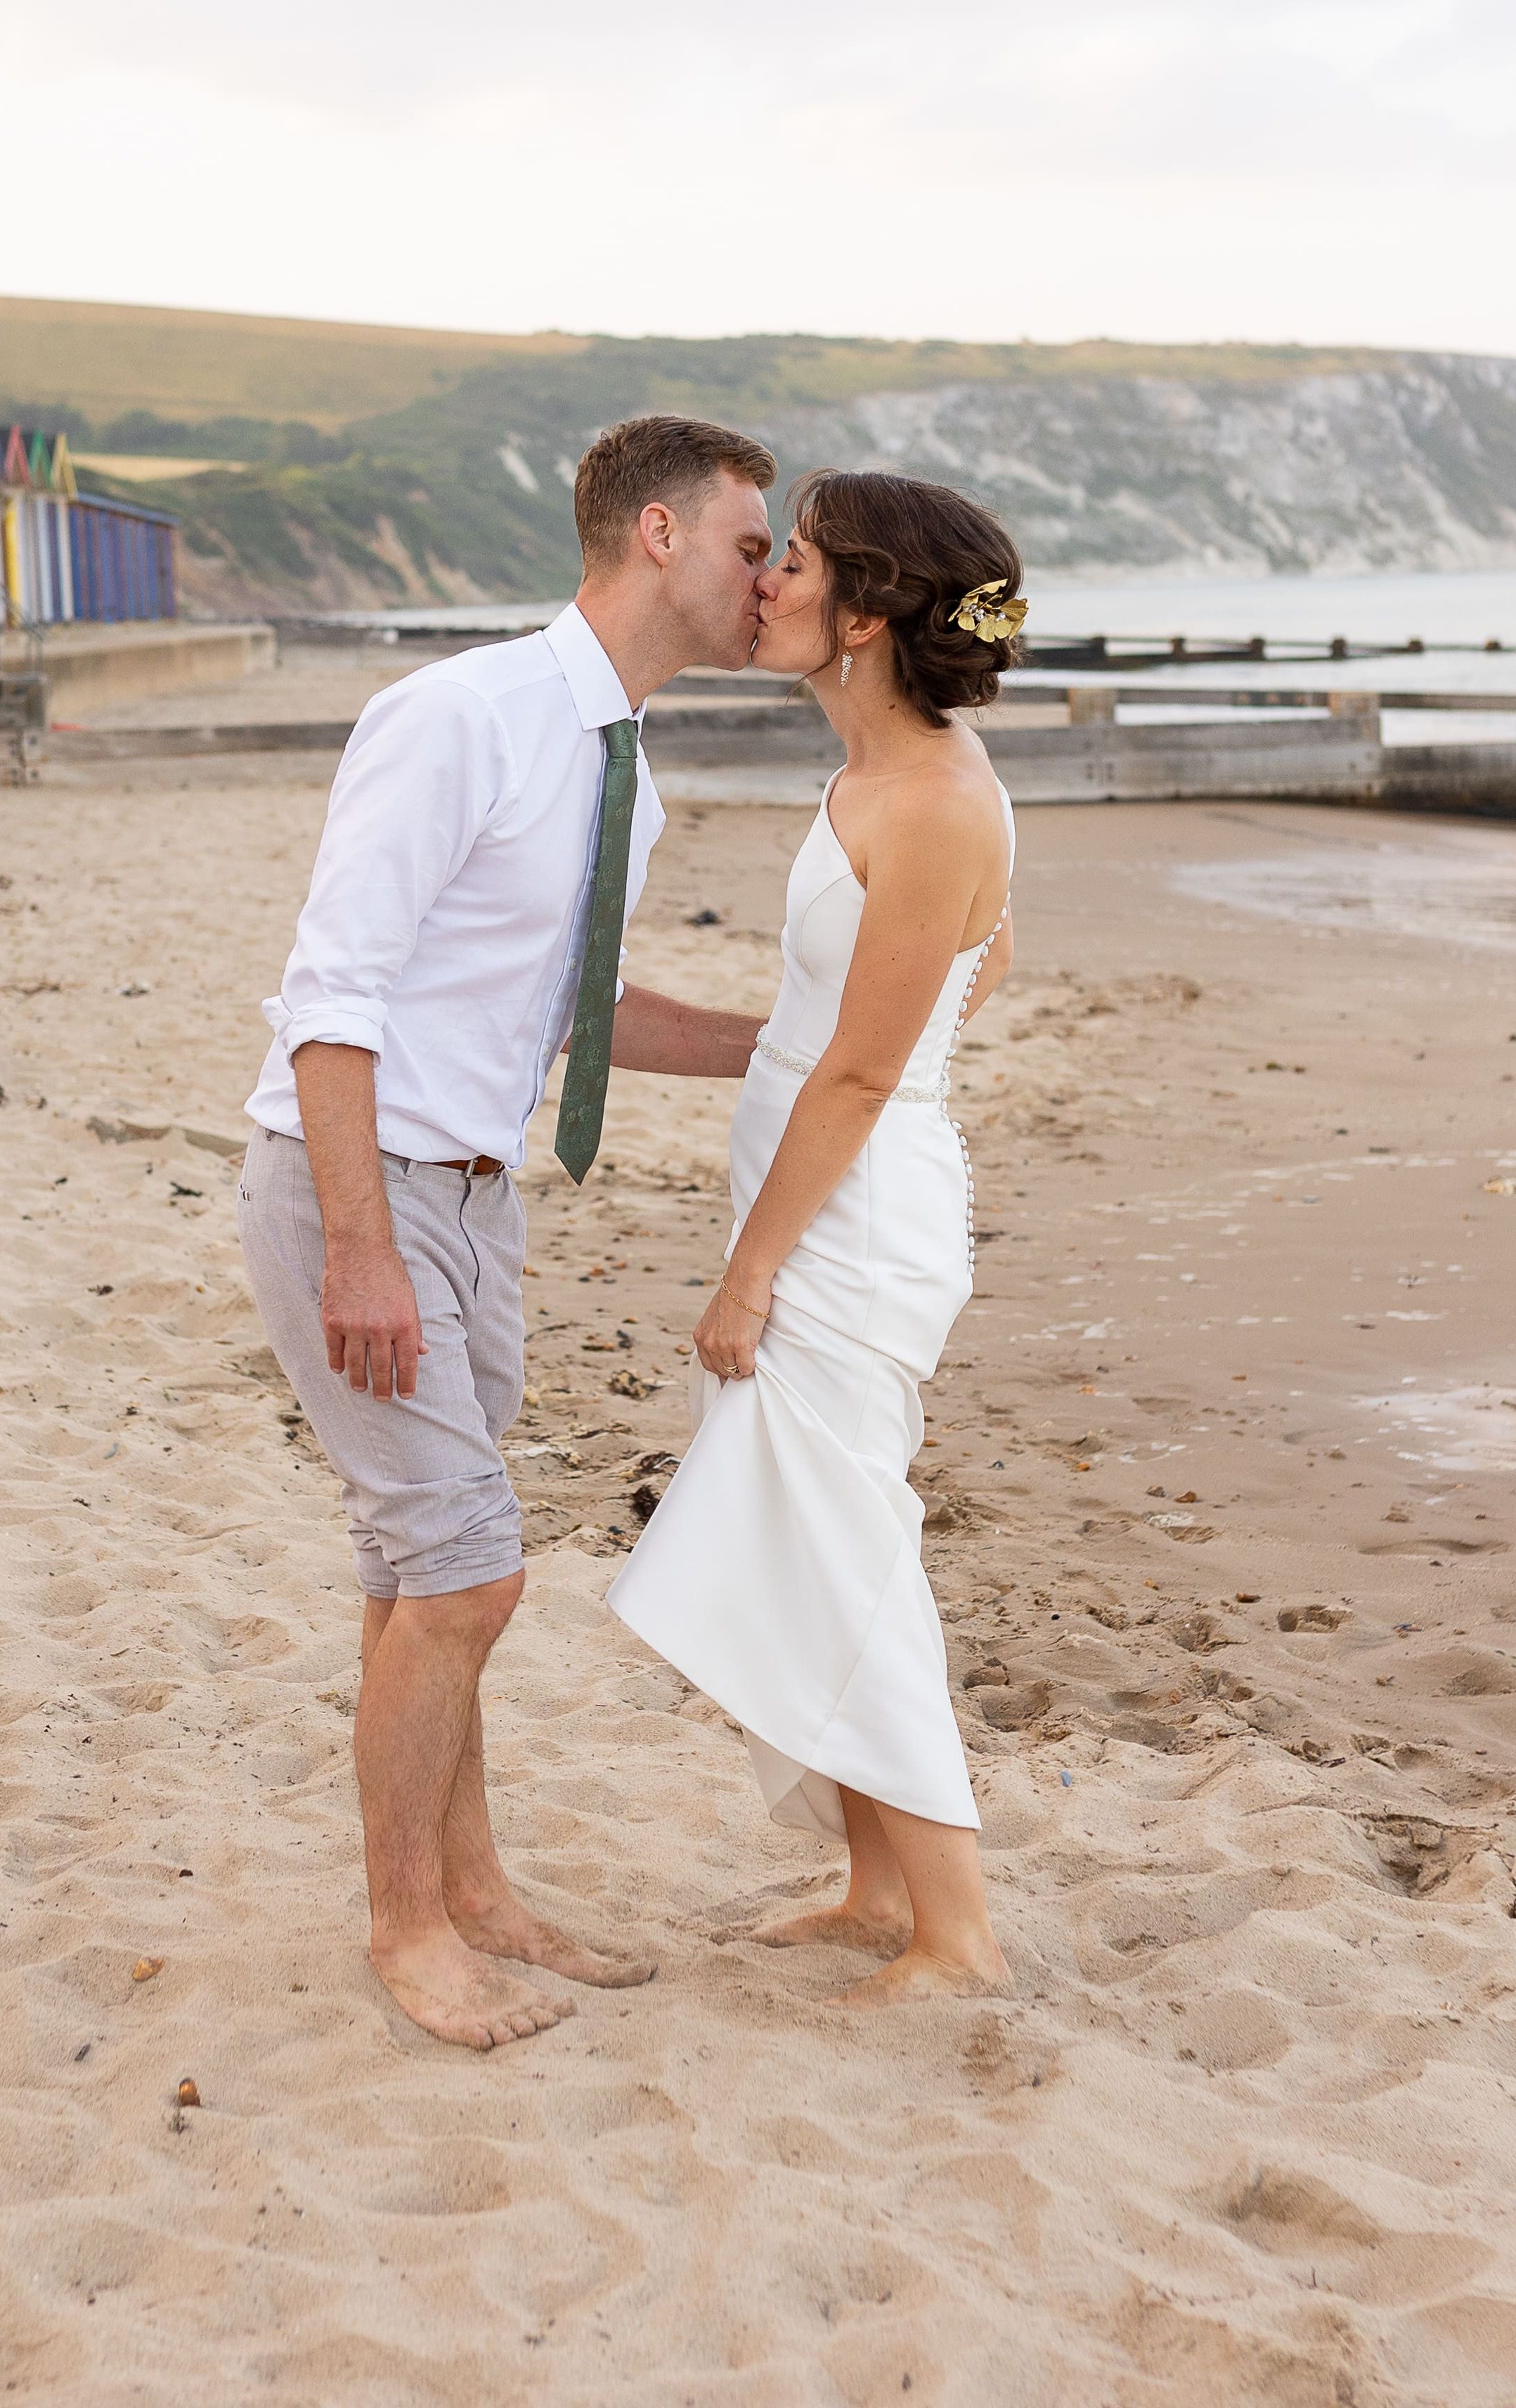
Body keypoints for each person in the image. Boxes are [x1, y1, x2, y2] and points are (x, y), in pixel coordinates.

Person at [238, 413, 781, 2050]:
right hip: (362, 1188)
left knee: (419, 1572)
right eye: (755, 544)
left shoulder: (625, 770)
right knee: (471, 1580)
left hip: (474, 1198)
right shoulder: (460, 718)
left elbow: (578, 1017)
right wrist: (358, 1245)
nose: (775, 578)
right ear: (664, 538)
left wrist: (799, 1047)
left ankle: (473, 1889)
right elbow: (330, 993)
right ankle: (408, 1927)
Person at [604, 469, 1024, 2008]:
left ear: (862, 613)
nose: (763, 579)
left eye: (794, 561)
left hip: (848, 1231)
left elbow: (857, 1073)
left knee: (846, 1549)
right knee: (802, 1542)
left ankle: (956, 1930)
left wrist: (750, 1270)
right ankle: (865, 1881)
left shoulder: (933, 799)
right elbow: (969, 963)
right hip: (815, 1199)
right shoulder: (879, 774)